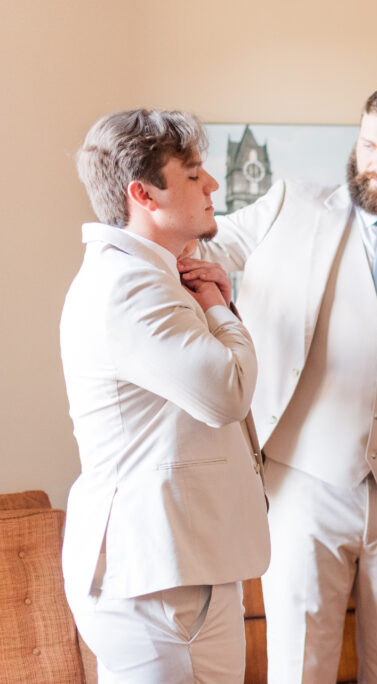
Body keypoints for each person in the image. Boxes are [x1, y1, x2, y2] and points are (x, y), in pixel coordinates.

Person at [184, 85, 377, 682]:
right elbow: (206, 243)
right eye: (367, 146)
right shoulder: (289, 205)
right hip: (303, 483)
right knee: (299, 664)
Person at [60, 109, 270, 682]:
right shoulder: (129, 286)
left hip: (179, 565)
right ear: (142, 193)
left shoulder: (154, 276)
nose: (214, 186)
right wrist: (220, 309)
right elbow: (228, 393)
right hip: (158, 577)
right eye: (193, 172)